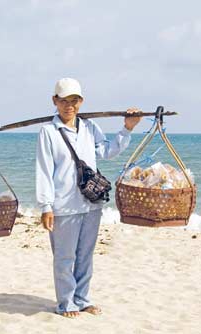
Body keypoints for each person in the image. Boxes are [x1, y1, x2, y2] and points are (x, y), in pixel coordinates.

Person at [36, 78, 142, 318]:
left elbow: (107, 151)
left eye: (74, 101)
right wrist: (46, 206)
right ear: (55, 101)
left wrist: (128, 128)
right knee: (64, 258)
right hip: (63, 205)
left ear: (81, 102)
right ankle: (66, 303)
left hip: (91, 203)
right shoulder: (48, 132)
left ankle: (82, 299)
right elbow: (44, 170)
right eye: (63, 101)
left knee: (85, 255)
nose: (69, 106)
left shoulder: (89, 127)